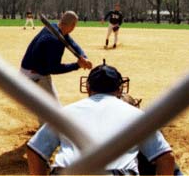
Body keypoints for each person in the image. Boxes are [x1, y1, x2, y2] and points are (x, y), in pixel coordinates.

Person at [26, 63, 176, 175]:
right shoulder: (137, 116)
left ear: (88, 88)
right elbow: (166, 159)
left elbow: (35, 151)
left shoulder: (65, 113)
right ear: (120, 89)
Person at [20, 11, 92, 104]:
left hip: (31, 70)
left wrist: (83, 56)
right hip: (35, 75)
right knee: (54, 109)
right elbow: (54, 68)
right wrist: (77, 65)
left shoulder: (55, 27)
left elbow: (71, 42)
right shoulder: (54, 41)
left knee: (46, 108)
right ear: (73, 25)